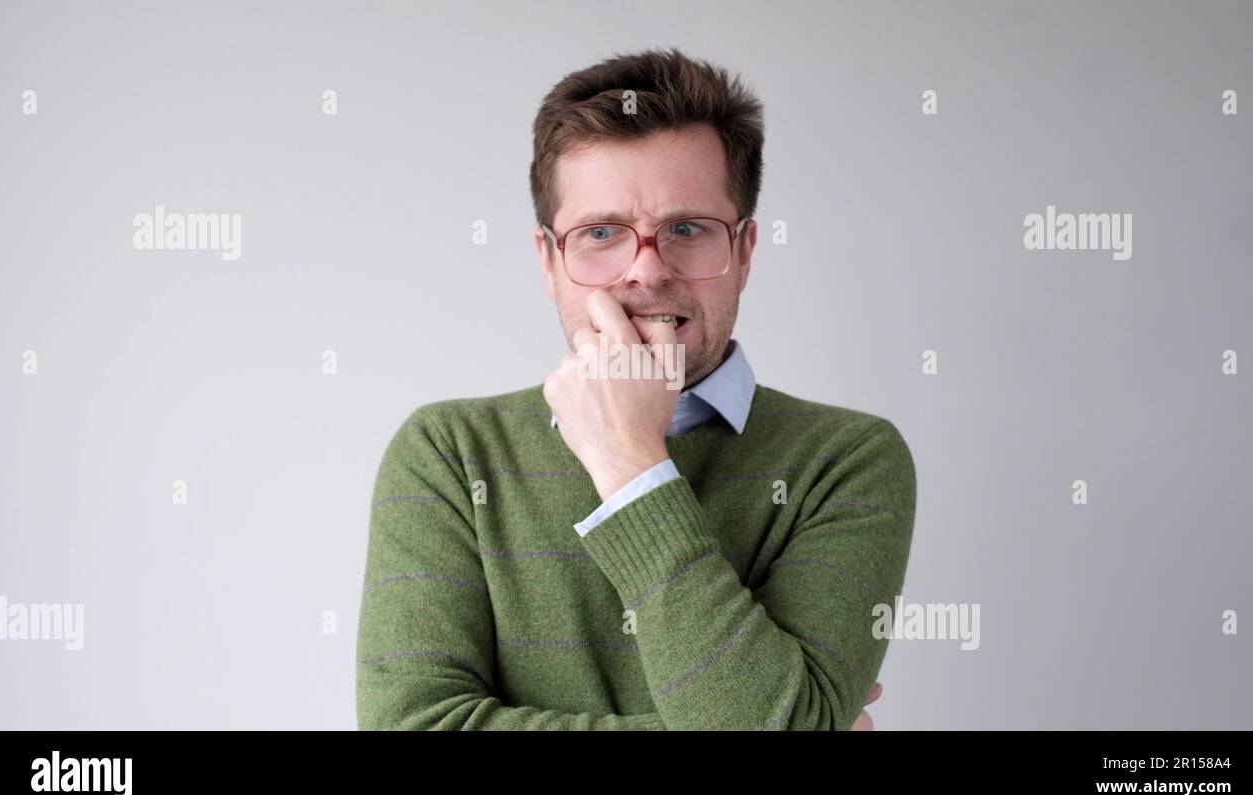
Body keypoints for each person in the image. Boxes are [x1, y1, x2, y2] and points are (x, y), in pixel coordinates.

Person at [356, 47, 916, 730]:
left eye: (686, 229)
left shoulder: (848, 458)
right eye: (601, 233)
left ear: (743, 253)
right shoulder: (448, 452)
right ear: (549, 260)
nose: (646, 272)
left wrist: (631, 464)